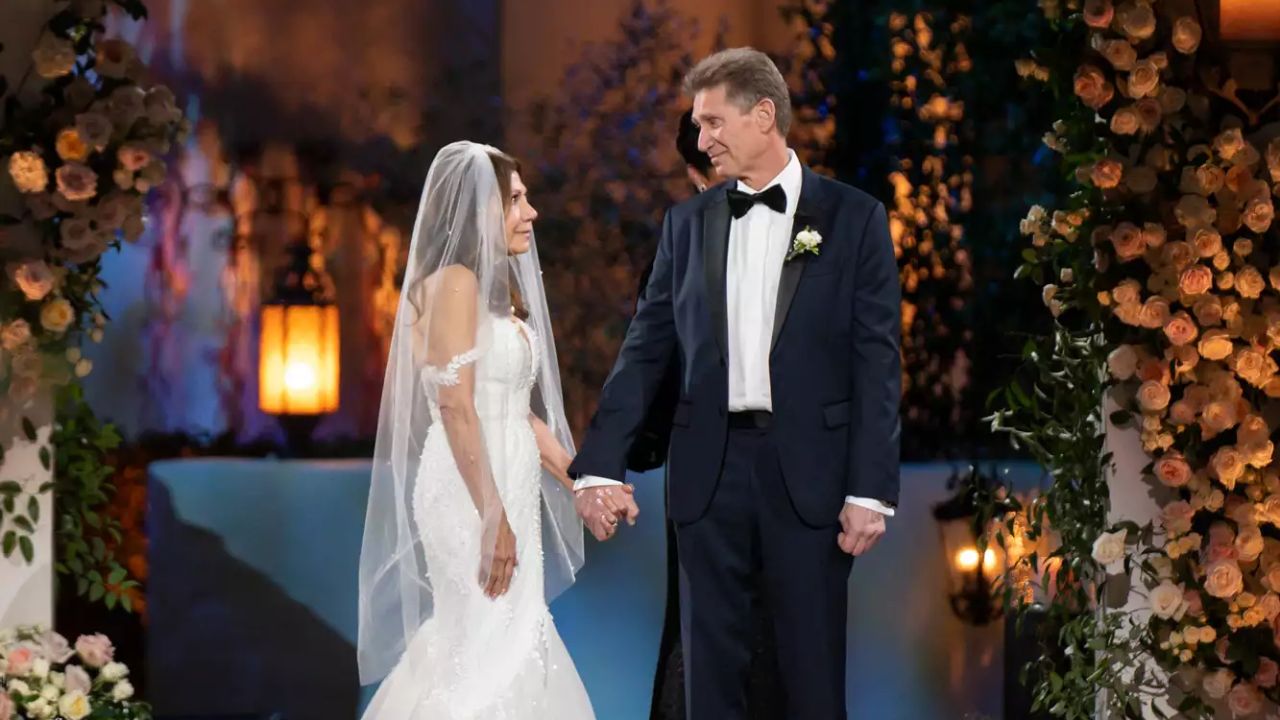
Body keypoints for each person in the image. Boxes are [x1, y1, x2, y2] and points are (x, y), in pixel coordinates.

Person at [570, 48, 902, 719]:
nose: (702, 139)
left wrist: (871, 489)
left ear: (763, 116)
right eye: (698, 125)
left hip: (811, 475)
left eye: (714, 122)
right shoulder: (685, 225)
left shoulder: (854, 218)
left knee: (809, 678)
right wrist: (600, 465)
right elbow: (644, 352)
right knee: (711, 680)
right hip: (707, 476)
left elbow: (877, 361)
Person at [357, 140, 604, 719]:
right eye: (515, 199)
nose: (531, 212)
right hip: (471, 498)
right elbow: (455, 409)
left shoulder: (492, 291)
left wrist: (584, 483)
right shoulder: (453, 285)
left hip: (505, 491)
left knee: (501, 643)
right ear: (478, 211)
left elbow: (517, 411)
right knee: (486, 646)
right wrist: (494, 517)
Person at [640, 110, 781, 720]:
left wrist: (640, 445)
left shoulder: (683, 242)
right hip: (766, 471)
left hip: (727, 470)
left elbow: (656, 361)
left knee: (712, 631)